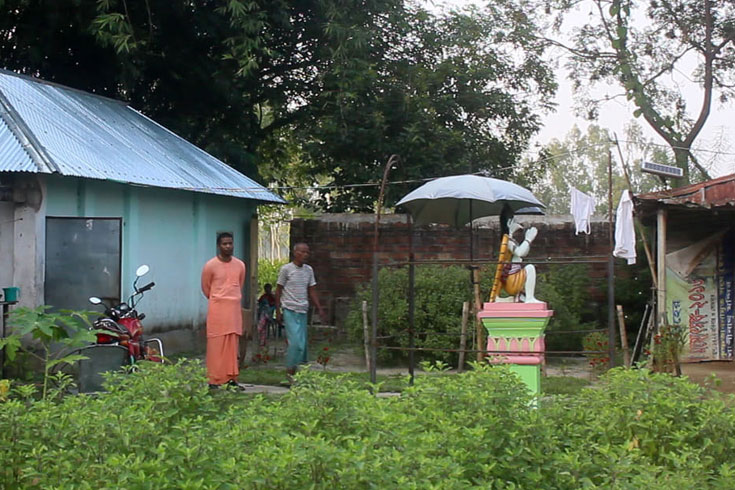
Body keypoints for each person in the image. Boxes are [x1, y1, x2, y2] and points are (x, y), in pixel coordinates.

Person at [201, 232, 246, 388]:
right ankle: (214, 380)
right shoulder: (210, 265)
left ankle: (231, 379)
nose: (228, 246)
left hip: (233, 311)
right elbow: (206, 288)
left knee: (232, 346)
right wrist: (219, 299)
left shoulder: (240, 265)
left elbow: (240, 284)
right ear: (218, 246)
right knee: (216, 345)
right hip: (217, 310)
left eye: (230, 243)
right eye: (224, 244)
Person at [275, 242, 325, 381]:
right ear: (295, 253)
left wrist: (319, 308)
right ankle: (289, 373)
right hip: (289, 309)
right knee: (295, 342)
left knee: (302, 345)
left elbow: (312, 290)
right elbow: (278, 290)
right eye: (302, 252)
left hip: (303, 309)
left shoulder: (309, 270)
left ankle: (295, 372)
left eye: (307, 252)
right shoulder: (286, 269)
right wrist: (278, 310)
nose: (305, 255)